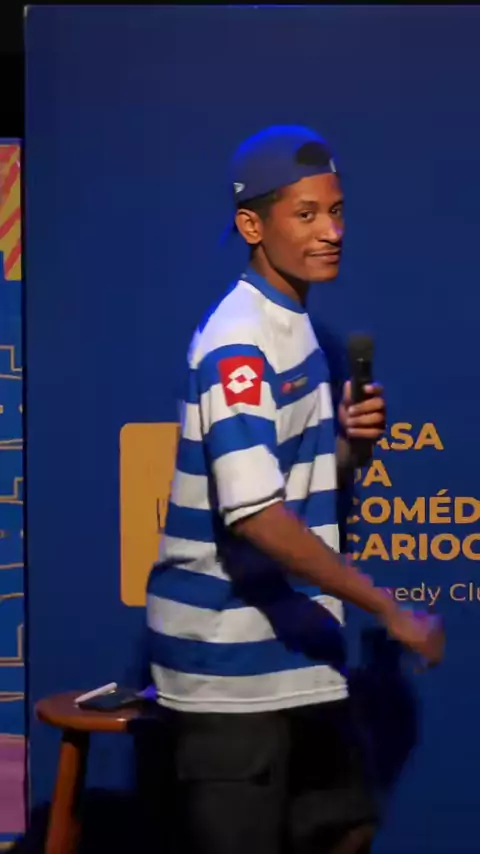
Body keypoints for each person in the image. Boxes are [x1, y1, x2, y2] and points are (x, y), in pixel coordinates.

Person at [146, 125, 444, 854]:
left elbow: (293, 485)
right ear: (253, 226)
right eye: (305, 215)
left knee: (347, 827)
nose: (331, 232)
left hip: (296, 655)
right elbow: (257, 516)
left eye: (336, 211)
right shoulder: (239, 344)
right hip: (228, 671)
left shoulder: (296, 328)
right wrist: (388, 608)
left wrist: (351, 448)